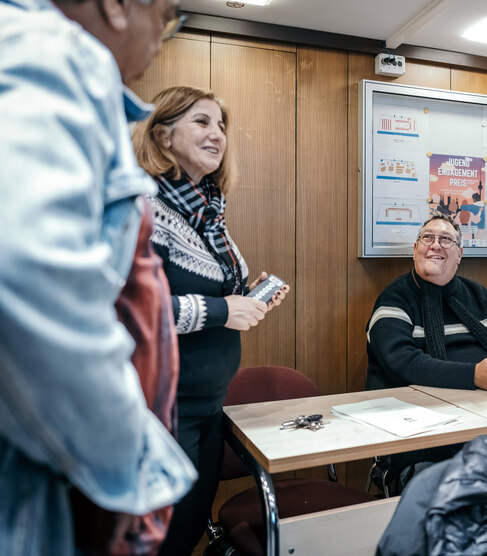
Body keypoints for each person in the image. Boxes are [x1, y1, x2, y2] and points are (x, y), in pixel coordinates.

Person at [0, 0, 197, 554]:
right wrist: (124, 467)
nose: (161, 39)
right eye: (164, 16)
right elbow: (25, 270)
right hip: (42, 489)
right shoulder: (55, 52)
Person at [132, 85, 290, 555]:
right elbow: (133, 309)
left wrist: (248, 298)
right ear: (162, 136)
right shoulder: (143, 205)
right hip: (160, 406)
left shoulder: (208, 212)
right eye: (201, 122)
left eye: (221, 125)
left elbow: (202, 295)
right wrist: (225, 309)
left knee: (186, 530)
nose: (217, 134)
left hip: (208, 402)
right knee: (159, 538)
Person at [366, 214, 487, 392]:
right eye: (428, 237)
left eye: (446, 239)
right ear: (415, 249)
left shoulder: (479, 295)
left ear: (459, 255)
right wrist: (474, 376)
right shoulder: (394, 299)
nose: (435, 245)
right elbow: (401, 362)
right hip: (417, 405)